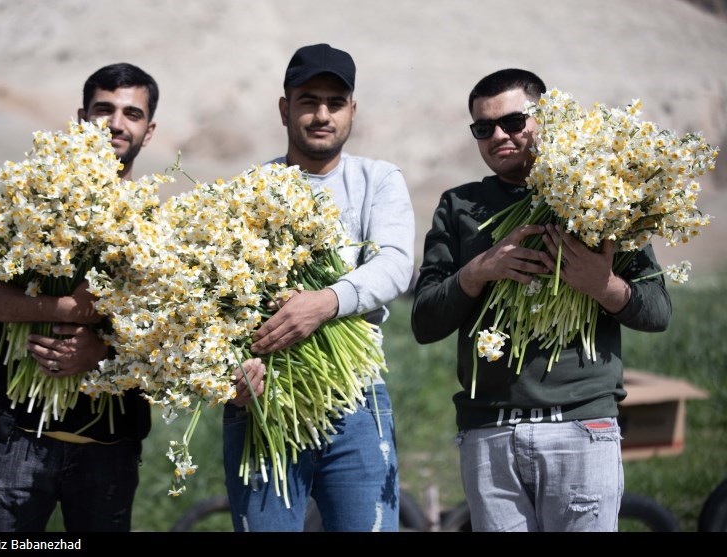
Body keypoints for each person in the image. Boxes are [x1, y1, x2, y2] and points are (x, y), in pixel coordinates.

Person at [0, 62, 263, 532]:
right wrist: (59, 308)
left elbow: (172, 337)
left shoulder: (161, 229)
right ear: (82, 117)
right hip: (16, 437)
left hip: (110, 450)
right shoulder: (32, 199)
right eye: (104, 109)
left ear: (149, 130)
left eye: (131, 114)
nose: (116, 123)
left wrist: (103, 353)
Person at [410, 68, 672, 532]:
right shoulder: (459, 206)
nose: (498, 136)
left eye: (513, 122)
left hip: (581, 426)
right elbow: (424, 322)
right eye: (483, 128)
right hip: (489, 431)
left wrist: (601, 284)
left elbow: (658, 311)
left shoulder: (604, 192)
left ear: (545, 120)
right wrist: (480, 270)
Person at [222, 43, 415, 532]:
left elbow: (393, 265)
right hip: (265, 397)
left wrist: (325, 303)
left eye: (335, 102)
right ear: (285, 108)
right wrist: (231, 368)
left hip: (357, 398)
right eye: (308, 101)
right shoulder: (249, 189)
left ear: (352, 110)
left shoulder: (378, 180)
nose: (321, 115)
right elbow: (217, 298)